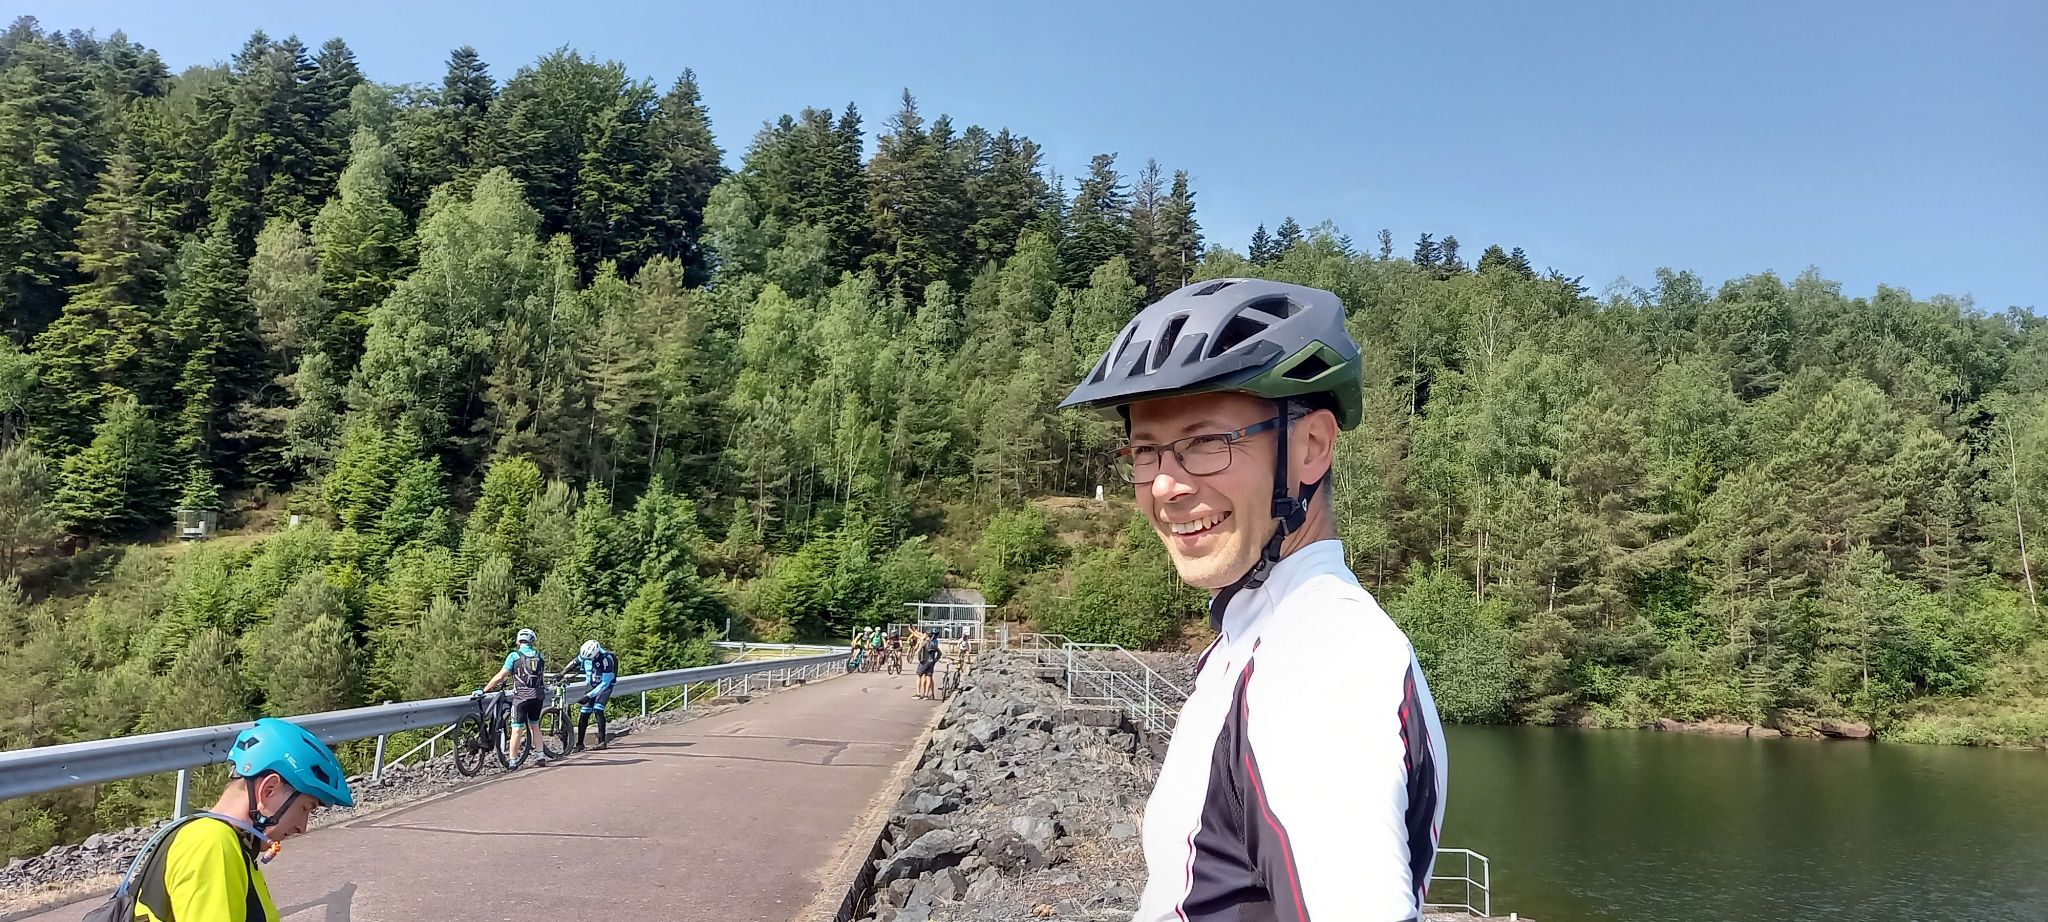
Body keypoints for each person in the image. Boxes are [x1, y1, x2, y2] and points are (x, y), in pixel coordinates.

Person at [1058, 278, 1449, 920]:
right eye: (1146, 450)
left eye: (1206, 442)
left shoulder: (1322, 661)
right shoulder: (1262, 634)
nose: (1165, 486)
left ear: (1311, 447)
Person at [131, 717, 355, 922]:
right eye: (305, 808)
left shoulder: (229, 841)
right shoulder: (212, 843)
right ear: (269, 789)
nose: (302, 827)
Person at [477, 627, 551, 767]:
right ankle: (541, 756)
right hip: (537, 696)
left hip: (521, 697)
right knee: (535, 726)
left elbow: (501, 676)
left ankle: (513, 760)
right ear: (532, 641)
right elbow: (540, 675)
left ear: (518, 641)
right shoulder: (540, 656)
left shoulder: (514, 656)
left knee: (517, 729)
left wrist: (484, 689)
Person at [562, 639, 618, 751]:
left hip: (605, 685)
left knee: (598, 709)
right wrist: (562, 673)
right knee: (584, 712)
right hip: (592, 684)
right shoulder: (586, 654)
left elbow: (605, 683)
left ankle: (602, 742)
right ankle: (580, 744)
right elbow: (575, 662)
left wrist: (589, 695)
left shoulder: (606, 659)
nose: (588, 660)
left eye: (590, 658)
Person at [914, 630, 941, 699]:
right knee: (928, 676)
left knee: (919, 675)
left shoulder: (924, 642)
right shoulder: (933, 643)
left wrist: (920, 659)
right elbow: (939, 653)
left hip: (924, 661)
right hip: (931, 662)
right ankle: (926, 694)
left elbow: (919, 650)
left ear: (926, 635)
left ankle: (918, 693)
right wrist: (936, 659)